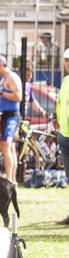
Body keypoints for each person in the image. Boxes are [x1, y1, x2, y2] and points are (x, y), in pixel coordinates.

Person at [0, 55, 22, 184]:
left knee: (6, 146)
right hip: (6, 115)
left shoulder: (12, 77)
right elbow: (9, 96)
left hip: (11, 116)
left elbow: (18, 96)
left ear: (1, 65)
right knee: (10, 147)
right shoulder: (5, 79)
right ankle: (12, 180)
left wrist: (0, 92)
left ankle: (9, 179)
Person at [56, 48, 69, 182]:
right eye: (66, 60)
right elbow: (61, 105)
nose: (68, 63)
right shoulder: (66, 80)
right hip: (64, 134)